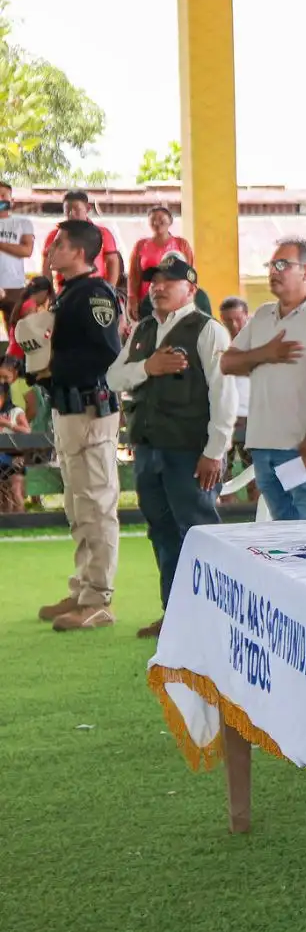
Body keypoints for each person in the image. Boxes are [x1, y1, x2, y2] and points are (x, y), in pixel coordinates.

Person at [106, 256, 231, 638]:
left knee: (199, 532)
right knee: (161, 531)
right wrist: (149, 368)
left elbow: (225, 395)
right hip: (148, 450)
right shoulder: (143, 329)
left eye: (168, 281)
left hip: (190, 452)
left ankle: (213, 619)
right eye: (154, 281)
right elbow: (113, 377)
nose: (157, 287)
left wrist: (215, 451)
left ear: (190, 289)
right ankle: (174, 615)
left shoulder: (209, 330)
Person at [222, 239, 306, 521]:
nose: (274, 270)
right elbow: (227, 362)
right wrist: (266, 353)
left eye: (283, 264)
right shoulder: (261, 316)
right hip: (264, 445)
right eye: (271, 264)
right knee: (286, 534)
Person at [36, 219, 125, 630]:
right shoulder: (68, 292)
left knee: (96, 505)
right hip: (69, 409)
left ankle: (98, 599)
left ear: (79, 252)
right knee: (77, 504)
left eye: (59, 243)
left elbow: (108, 355)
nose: (51, 249)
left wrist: (53, 364)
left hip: (90, 409)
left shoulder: (94, 294)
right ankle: (82, 589)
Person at [42, 191, 124, 293]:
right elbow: (46, 267)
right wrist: (50, 292)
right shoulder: (54, 235)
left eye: (77, 209)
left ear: (88, 208)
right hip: (63, 289)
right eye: (67, 210)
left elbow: (113, 262)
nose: (71, 214)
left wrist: (110, 288)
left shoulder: (102, 233)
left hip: (95, 289)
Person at [126, 205, 196, 320]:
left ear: (170, 221)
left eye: (161, 219)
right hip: (148, 301)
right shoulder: (141, 245)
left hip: (176, 300)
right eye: (153, 220)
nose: (157, 222)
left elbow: (190, 273)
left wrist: (190, 297)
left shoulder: (181, 244)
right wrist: (132, 299)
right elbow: (134, 275)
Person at [218, 296, 256, 502]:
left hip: (252, 415)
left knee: (256, 472)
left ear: (246, 316)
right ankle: (227, 519)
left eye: (237, 319)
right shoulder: (218, 342)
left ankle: (258, 517)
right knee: (223, 471)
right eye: (227, 320)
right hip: (225, 416)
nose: (233, 325)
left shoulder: (259, 341)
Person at [0, 180, 36, 333]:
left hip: (15, 285)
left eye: (3, 195)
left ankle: (15, 357)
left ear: (11, 200)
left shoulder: (23, 223)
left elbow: (27, 250)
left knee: (17, 333)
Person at [0, 354, 32, 513]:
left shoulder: (15, 412)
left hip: (15, 456)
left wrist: (8, 424)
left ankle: (21, 522)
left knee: (15, 490)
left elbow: (27, 430)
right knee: (3, 495)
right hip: (1, 457)